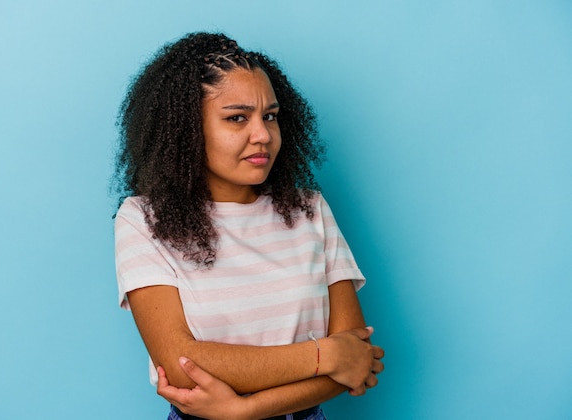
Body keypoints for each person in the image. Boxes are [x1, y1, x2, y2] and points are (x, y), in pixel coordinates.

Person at [113, 32, 384, 420]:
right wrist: (325, 355)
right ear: (186, 129)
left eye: (269, 116)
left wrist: (245, 410)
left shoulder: (311, 210)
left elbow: (355, 361)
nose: (262, 135)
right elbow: (179, 362)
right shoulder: (143, 219)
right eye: (237, 118)